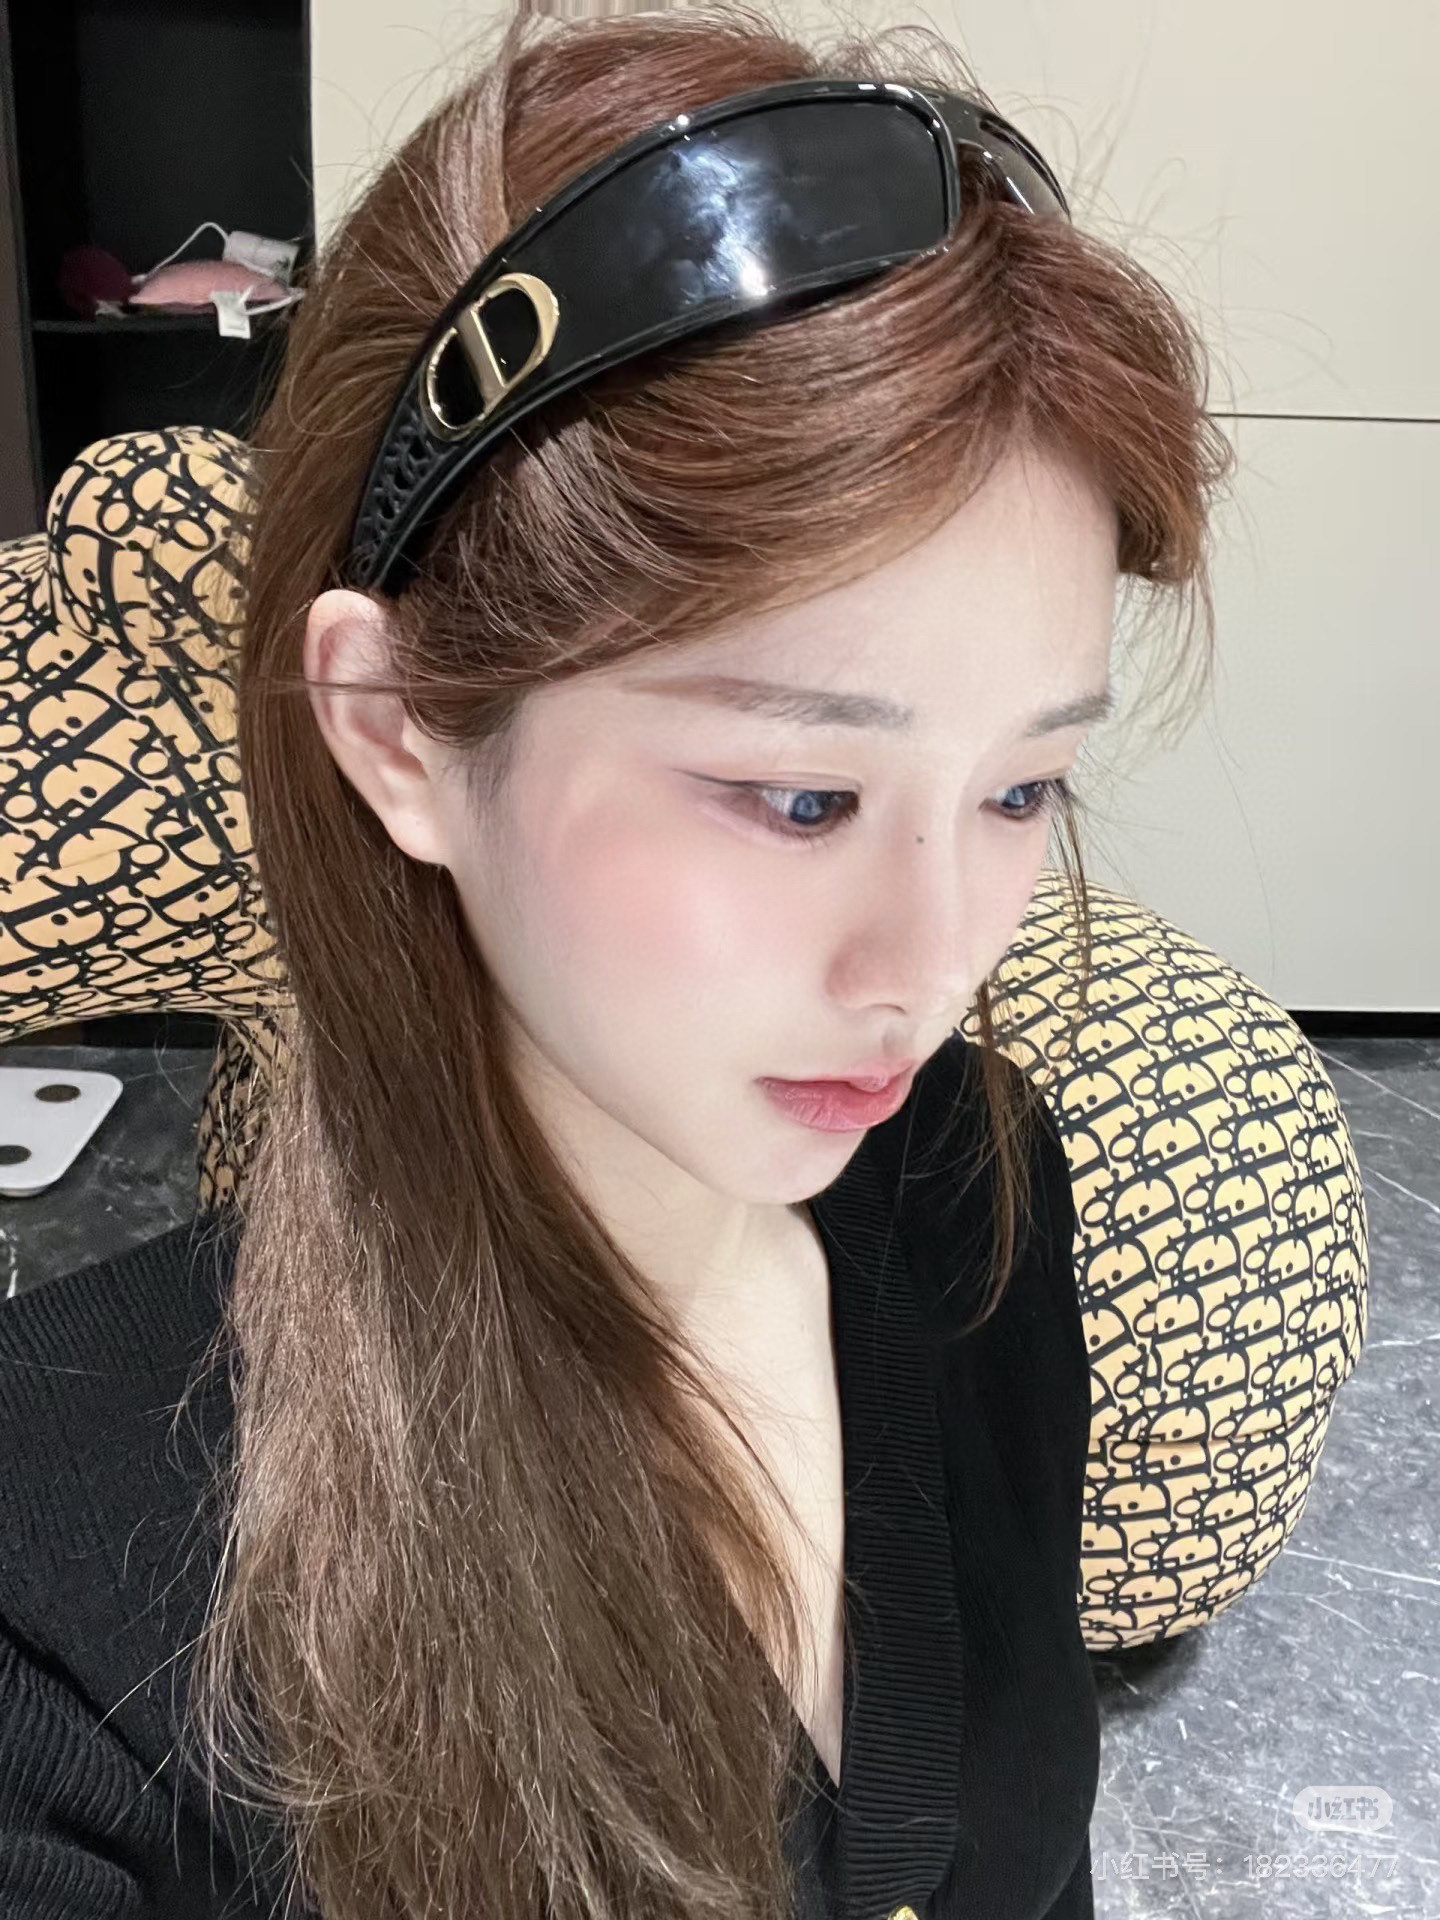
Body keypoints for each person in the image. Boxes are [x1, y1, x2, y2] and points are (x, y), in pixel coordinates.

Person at [0, 5, 1235, 1917]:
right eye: (803, 797)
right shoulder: (62, 1601)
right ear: (397, 730)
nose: (934, 963)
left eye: (1021, 789)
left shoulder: (972, 1184)